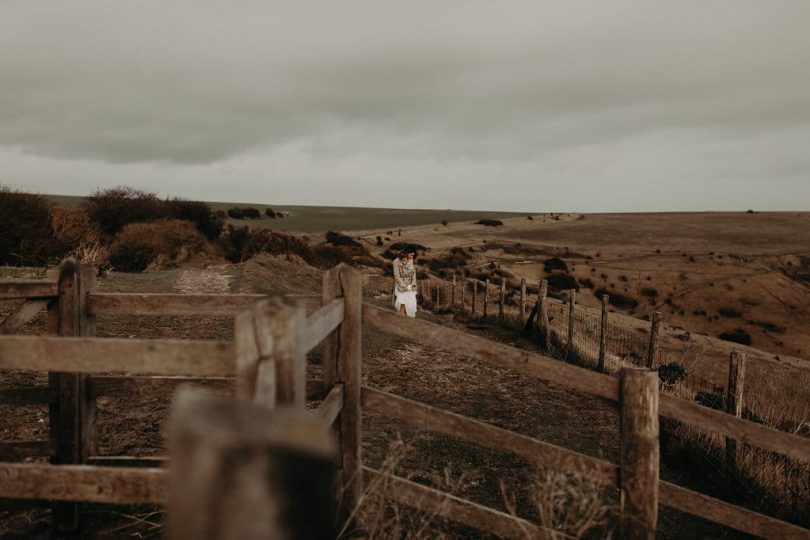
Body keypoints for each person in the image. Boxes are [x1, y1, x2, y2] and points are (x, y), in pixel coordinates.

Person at [392, 248, 418, 317]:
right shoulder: (396, 261)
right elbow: (396, 275)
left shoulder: (411, 260)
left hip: (410, 284)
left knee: (411, 301)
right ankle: (402, 317)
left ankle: (408, 316)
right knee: (402, 301)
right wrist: (404, 286)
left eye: (413, 256)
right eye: (411, 255)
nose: (411, 257)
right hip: (401, 284)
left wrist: (413, 284)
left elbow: (414, 273)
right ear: (406, 253)